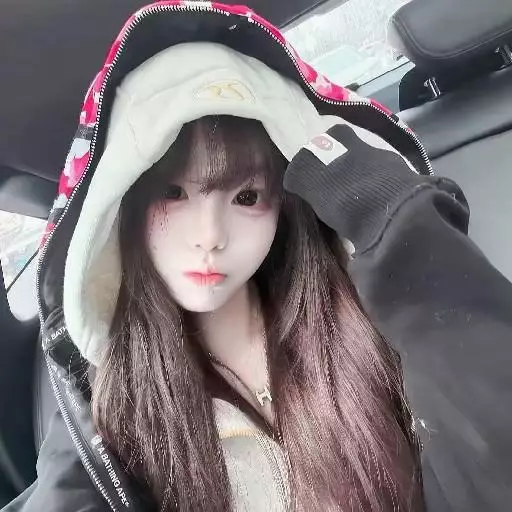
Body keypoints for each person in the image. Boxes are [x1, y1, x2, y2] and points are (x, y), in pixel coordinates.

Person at [3, 3, 512, 512]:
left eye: (246, 197)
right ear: (123, 209)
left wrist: (402, 225)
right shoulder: (103, 408)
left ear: (283, 206)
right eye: (173, 193)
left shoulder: (366, 319)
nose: (209, 237)